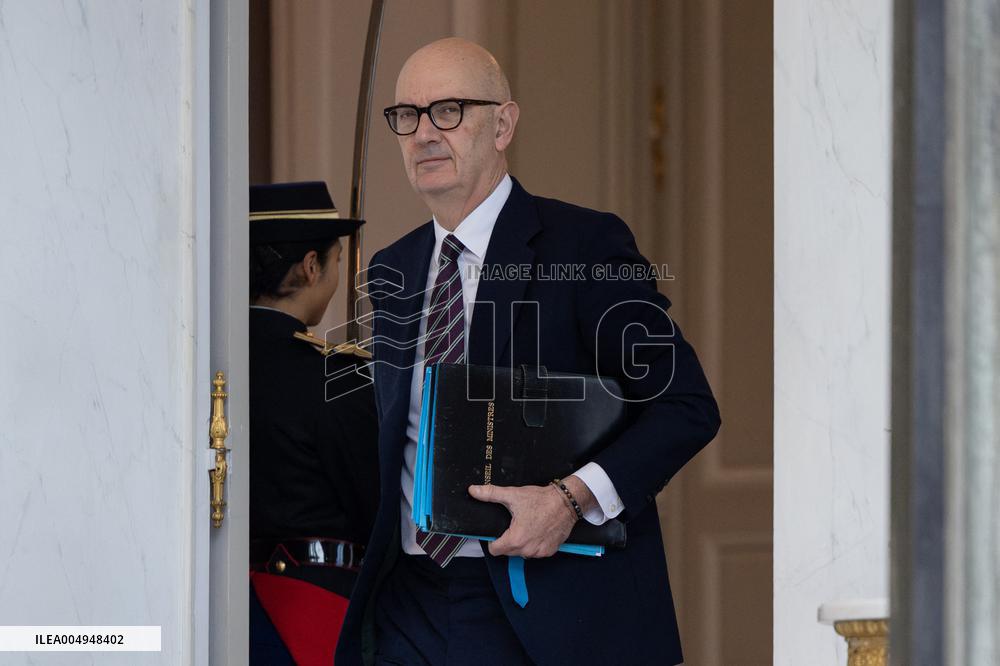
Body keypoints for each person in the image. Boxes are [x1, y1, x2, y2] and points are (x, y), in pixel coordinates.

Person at [337, 39, 720, 666]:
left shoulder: (585, 246)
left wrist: (568, 502)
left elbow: (686, 407)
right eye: (407, 115)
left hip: (544, 607)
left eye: (450, 110)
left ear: (504, 124)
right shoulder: (392, 270)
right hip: (408, 606)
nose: (424, 133)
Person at [248, 182, 379, 665]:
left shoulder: (206, 362)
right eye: (336, 260)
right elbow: (375, 505)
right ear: (310, 266)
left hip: (221, 601)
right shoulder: (333, 372)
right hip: (314, 608)